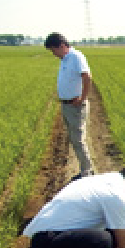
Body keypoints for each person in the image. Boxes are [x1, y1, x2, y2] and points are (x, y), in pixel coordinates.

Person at [44, 32, 94, 181]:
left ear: (62, 46)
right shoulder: (65, 59)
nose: (53, 54)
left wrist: (83, 98)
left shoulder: (76, 57)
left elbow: (87, 77)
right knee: (74, 140)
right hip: (67, 106)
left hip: (75, 106)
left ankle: (88, 173)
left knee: (78, 140)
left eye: (54, 50)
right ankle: (85, 170)